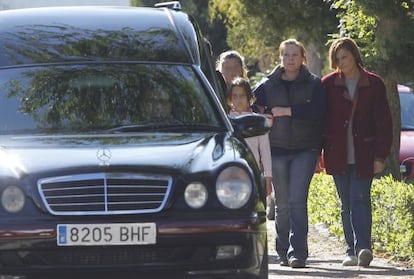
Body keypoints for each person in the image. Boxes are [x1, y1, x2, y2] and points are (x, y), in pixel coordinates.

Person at [253, 39, 326, 268]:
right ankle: (282, 250)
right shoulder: (267, 85)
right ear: (280, 58)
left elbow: (319, 112)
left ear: (303, 58)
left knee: (297, 201)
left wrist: (288, 111)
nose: (290, 59)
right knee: (282, 204)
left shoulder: (314, 84)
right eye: (286, 55)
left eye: (295, 55)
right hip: (276, 150)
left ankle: (298, 253)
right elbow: (252, 106)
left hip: (305, 149)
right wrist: (262, 115)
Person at [322, 37, 393, 267]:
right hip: (338, 153)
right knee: (346, 203)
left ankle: (364, 247)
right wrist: (320, 152)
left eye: (344, 56)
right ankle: (350, 249)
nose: (341, 62)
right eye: (337, 58)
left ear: (354, 55)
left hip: (365, 152)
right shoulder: (328, 84)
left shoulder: (374, 84)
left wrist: (380, 155)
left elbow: (384, 123)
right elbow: (322, 121)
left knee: (360, 199)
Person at [227, 77, 273, 198]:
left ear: (249, 97)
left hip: (253, 172)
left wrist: (268, 179)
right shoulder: (225, 121)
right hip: (230, 173)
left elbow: (265, 150)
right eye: (235, 96)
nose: (238, 100)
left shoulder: (257, 120)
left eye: (242, 95)